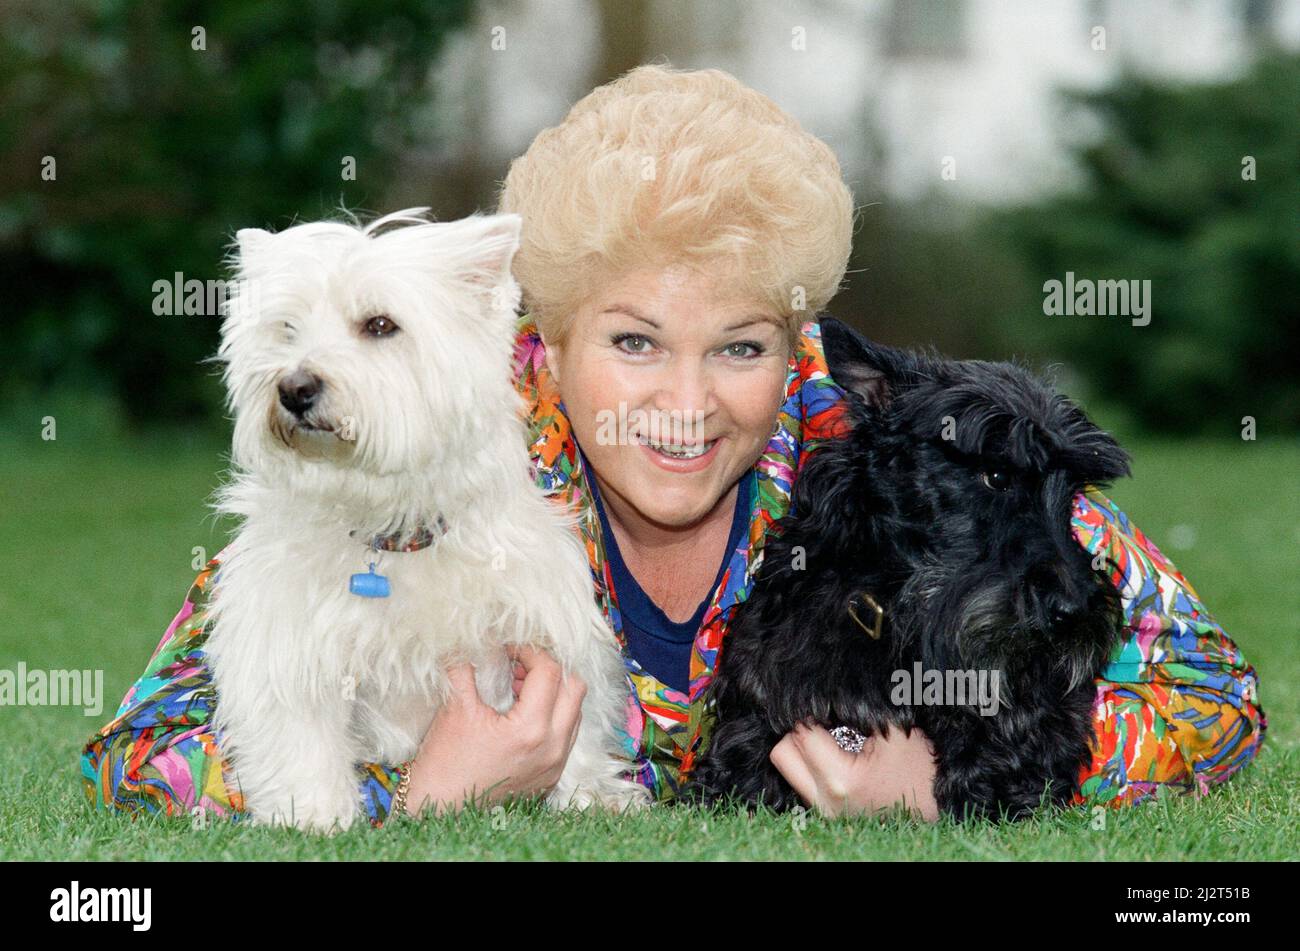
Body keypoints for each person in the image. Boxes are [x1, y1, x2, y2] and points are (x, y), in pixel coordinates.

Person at [82, 65, 1265, 825]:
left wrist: (950, 782)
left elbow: (1214, 696)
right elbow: (145, 749)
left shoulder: (911, 456)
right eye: (636, 343)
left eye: (741, 348)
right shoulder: (437, 477)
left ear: (794, 343)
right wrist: (420, 790)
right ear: (540, 332)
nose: (685, 406)